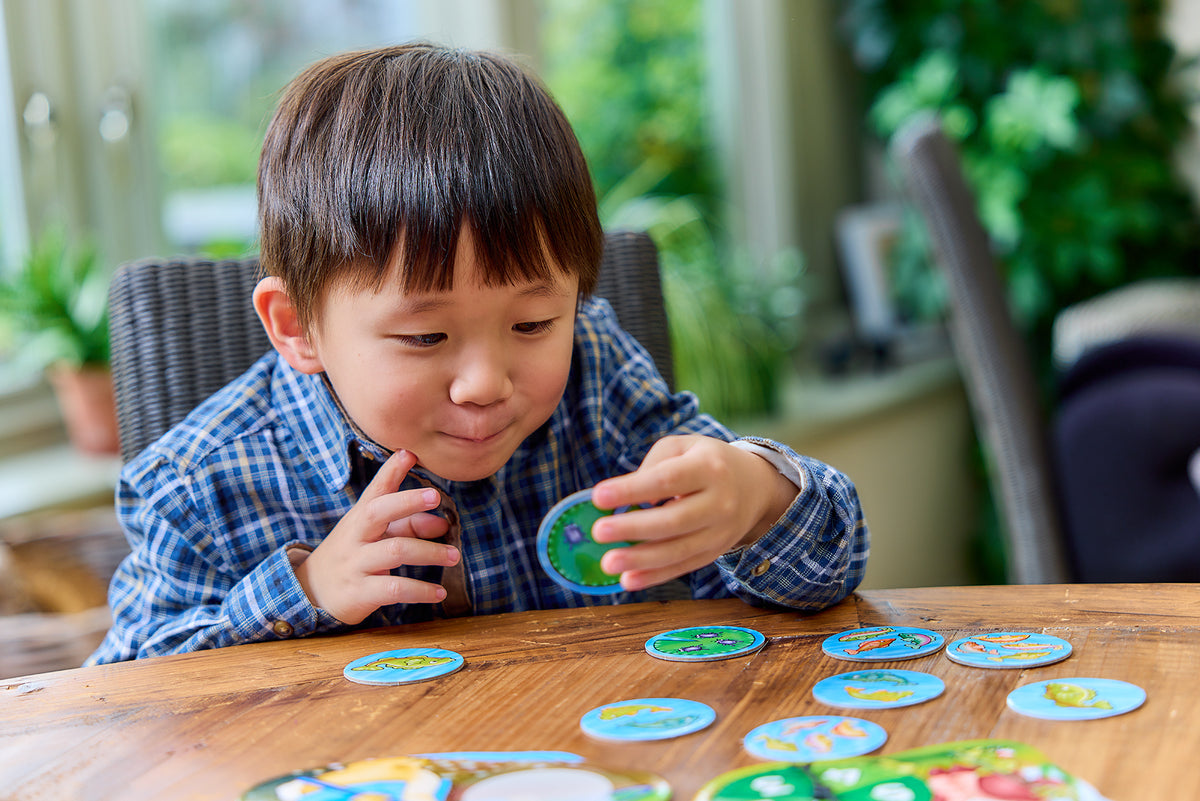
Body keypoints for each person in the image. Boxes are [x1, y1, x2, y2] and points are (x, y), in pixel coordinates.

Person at [87, 42, 868, 665]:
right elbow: (127, 705)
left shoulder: (597, 375)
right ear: (296, 325)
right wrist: (307, 589)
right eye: (426, 336)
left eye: (533, 324)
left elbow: (833, 571)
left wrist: (756, 497)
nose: (485, 383)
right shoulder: (197, 489)